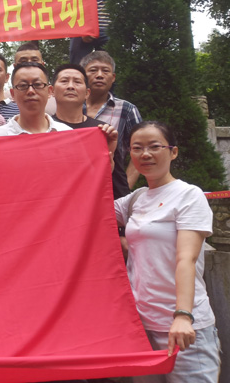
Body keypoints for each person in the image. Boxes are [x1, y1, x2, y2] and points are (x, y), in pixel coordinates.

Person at [115, 122, 220, 382]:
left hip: (183, 328)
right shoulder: (135, 199)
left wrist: (183, 316)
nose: (145, 154)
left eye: (154, 147)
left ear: (173, 152)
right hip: (141, 327)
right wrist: (105, 155)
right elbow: (90, 205)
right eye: (137, 148)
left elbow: (186, 259)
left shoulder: (189, 195)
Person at [82, 51, 141, 197]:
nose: (99, 75)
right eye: (93, 70)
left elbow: (139, 150)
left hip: (112, 191)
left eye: (105, 71)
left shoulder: (127, 109)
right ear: (83, 75)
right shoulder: (70, 107)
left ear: (113, 77)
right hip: (76, 189)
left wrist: (124, 189)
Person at [0, 63, 72, 136]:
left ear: (49, 91)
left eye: (37, 84)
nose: (30, 91)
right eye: (23, 85)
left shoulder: (67, 134)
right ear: (13, 94)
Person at [14, 42, 56, 115]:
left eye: (34, 61)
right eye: (23, 62)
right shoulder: (8, 98)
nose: (29, 64)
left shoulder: (56, 101)